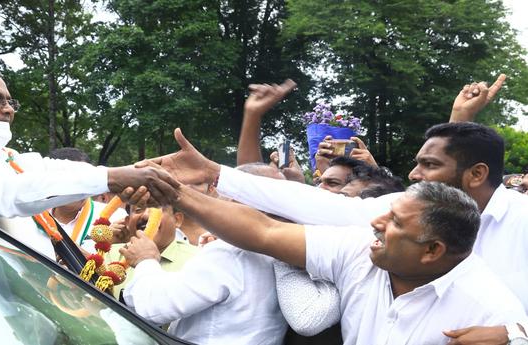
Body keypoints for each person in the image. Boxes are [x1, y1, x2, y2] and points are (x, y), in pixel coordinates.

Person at [136, 122, 528, 343]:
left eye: (428, 164)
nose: (375, 223)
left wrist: (517, 332)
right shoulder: (366, 244)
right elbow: (266, 230)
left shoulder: (492, 309)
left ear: (433, 250)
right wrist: (197, 184)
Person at [0, 62, 176, 219]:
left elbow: (46, 168)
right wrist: (110, 178)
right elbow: (1, 195)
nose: (9, 109)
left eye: (10, 101)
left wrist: (131, 171)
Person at [119, 163, 290, 345]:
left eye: (220, 197)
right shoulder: (288, 251)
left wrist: (146, 260)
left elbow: (154, 308)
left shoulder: (229, 253)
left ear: (236, 201)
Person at [105, 204, 198, 296]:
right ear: (128, 221)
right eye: (138, 209)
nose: (146, 216)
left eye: (156, 209)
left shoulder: (196, 260)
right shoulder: (111, 254)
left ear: (177, 220)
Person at [46, 147, 127, 252]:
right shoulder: (29, 220)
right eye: (66, 179)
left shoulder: (116, 217)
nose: (75, 187)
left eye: (81, 180)